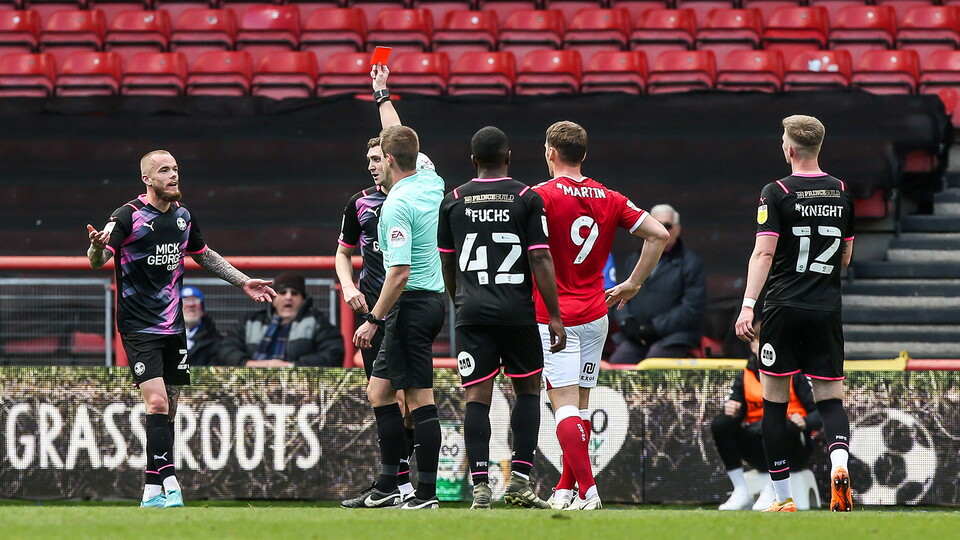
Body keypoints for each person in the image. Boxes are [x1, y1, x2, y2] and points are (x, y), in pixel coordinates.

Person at [85, 149, 276, 509]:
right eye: (164, 171)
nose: (173, 175)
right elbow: (100, 259)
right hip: (139, 326)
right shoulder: (127, 216)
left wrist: (243, 282)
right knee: (155, 401)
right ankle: (170, 479)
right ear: (147, 179)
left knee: (168, 409)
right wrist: (95, 250)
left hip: (173, 327)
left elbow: (203, 254)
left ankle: (151, 490)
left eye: (175, 169)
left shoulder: (183, 217)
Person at [533, 121, 670, 510]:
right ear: (584, 154)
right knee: (580, 406)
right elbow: (659, 234)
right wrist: (633, 283)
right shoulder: (609, 196)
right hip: (596, 315)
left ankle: (589, 491)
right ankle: (564, 489)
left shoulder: (540, 196)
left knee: (563, 407)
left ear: (550, 153)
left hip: (554, 317)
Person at [438, 126, 567, 510]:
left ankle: (480, 487)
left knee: (477, 396)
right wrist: (555, 316)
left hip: (472, 311)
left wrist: (459, 301)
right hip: (517, 313)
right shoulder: (527, 197)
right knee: (527, 391)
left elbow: (446, 260)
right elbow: (540, 257)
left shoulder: (453, 201)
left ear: (473, 161)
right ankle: (520, 482)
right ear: (509, 157)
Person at [735, 115, 855, 513]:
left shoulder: (777, 191)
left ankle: (782, 496)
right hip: (825, 309)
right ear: (819, 147)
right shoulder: (841, 191)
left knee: (774, 403)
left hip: (783, 308)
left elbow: (764, 252)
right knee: (830, 401)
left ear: (789, 148)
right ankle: (840, 465)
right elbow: (845, 257)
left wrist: (749, 305)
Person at [346, 63, 447, 510]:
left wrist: (372, 319)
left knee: (419, 398)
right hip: (430, 301)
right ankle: (391, 485)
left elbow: (398, 273)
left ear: (387, 161)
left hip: (412, 303)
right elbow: (400, 136)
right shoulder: (430, 178)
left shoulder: (395, 207)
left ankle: (424, 493)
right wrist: (381, 94)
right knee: (380, 392)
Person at [336, 136, 419, 504]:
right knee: (385, 399)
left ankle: (399, 483)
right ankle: (399, 484)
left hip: (408, 309)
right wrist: (347, 284)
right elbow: (342, 253)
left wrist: (382, 95)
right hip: (373, 313)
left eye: (376, 158)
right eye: (367, 158)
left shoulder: (413, 198)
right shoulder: (359, 202)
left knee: (408, 403)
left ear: (390, 159)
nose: (371, 165)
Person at [712, 320, 821, 511]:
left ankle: (775, 489)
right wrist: (732, 409)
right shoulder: (745, 375)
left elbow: (821, 413)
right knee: (721, 424)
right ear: (753, 345)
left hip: (792, 447)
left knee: (781, 425)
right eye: (762, 342)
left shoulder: (795, 373)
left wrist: (804, 422)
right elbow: (734, 410)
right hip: (758, 444)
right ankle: (740, 490)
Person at [610, 204, 707, 363]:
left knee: (654, 364)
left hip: (674, 337)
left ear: (678, 229)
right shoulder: (634, 260)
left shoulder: (691, 263)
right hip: (636, 338)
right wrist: (627, 322)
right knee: (619, 362)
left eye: (667, 226)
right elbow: (621, 295)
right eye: (657, 224)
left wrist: (654, 328)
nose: (663, 230)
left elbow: (692, 308)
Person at [218, 272, 344, 368]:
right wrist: (251, 364)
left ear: (303, 300)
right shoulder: (251, 322)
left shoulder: (317, 322)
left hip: (300, 386)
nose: (288, 297)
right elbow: (225, 350)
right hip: (251, 384)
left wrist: (290, 366)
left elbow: (333, 354)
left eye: (294, 293)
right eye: (282, 293)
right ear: (273, 299)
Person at [181, 286, 222, 366]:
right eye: (185, 300)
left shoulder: (215, 341)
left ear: (202, 309)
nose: (191, 304)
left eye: (196, 300)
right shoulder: (165, 337)